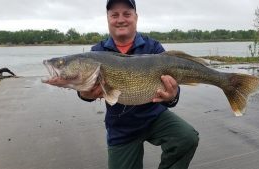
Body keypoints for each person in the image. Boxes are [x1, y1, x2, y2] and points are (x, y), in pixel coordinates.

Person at [78, 0, 199, 168]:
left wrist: (172, 96)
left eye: (127, 14)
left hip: (154, 116)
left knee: (186, 138)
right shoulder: (97, 52)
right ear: (107, 19)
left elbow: (173, 94)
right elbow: (85, 89)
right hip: (121, 128)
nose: (121, 19)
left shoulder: (153, 47)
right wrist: (84, 94)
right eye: (114, 15)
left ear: (136, 17)